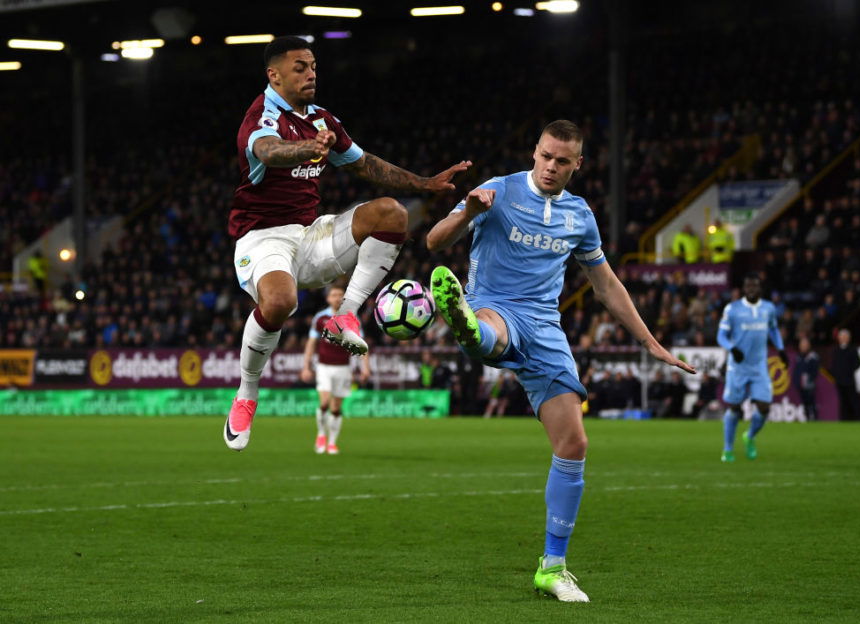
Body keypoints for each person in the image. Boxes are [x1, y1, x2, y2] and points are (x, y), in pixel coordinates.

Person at [424, 120, 695, 602]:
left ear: (577, 165)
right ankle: (468, 328)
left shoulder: (580, 215)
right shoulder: (498, 190)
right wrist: (467, 212)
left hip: (546, 327)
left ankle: (552, 568)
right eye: (546, 156)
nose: (551, 166)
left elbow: (606, 285)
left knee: (574, 443)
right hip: (495, 305)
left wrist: (650, 342)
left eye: (562, 161)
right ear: (535, 151)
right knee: (492, 332)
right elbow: (433, 241)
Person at [224, 36, 470, 451]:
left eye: (313, 66)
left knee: (393, 214)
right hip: (263, 237)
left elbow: (365, 164)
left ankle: (347, 316)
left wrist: (424, 184)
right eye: (300, 67)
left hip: (310, 236)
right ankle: (247, 392)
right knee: (281, 301)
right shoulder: (260, 116)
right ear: (274, 75)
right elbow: (268, 152)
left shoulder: (323, 120)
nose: (311, 74)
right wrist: (307, 147)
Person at [717, 273, 788, 462]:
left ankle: (749, 436)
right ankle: (728, 449)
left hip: (759, 366)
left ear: (760, 288)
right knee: (734, 407)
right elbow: (721, 336)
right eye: (748, 286)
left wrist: (780, 349)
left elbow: (773, 329)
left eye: (754, 286)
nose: (751, 289)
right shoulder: (732, 309)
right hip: (738, 367)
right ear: (743, 288)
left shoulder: (768, 308)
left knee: (764, 407)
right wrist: (732, 348)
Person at [300, 284, 370, 455]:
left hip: (343, 368)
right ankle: (321, 434)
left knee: (336, 408)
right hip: (324, 367)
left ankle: (332, 443)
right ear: (328, 298)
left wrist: (365, 367)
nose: (337, 298)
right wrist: (306, 366)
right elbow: (311, 343)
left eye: (340, 295)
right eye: (334, 295)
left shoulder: (351, 318)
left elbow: (361, 344)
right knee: (324, 403)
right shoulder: (321, 318)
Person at [830, 329, 860, 420]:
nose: (843, 339)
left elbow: (857, 363)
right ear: (839, 338)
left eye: (845, 337)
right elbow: (833, 365)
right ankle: (843, 419)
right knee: (842, 402)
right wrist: (835, 375)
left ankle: (859, 419)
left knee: (854, 401)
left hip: (849, 380)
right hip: (839, 381)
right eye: (842, 337)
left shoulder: (853, 350)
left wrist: (848, 371)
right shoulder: (836, 350)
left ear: (849, 338)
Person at [793, 336, 820, 421]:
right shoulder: (798, 357)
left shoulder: (813, 356)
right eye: (802, 345)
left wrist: (810, 379)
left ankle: (814, 418)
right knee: (804, 402)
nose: (803, 346)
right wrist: (796, 381)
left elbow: (815, 371)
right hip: (800, 384)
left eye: (805, 345)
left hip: (809, 384)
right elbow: (796, 370)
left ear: (809, 345)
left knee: (811, 402)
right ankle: (808, 418)